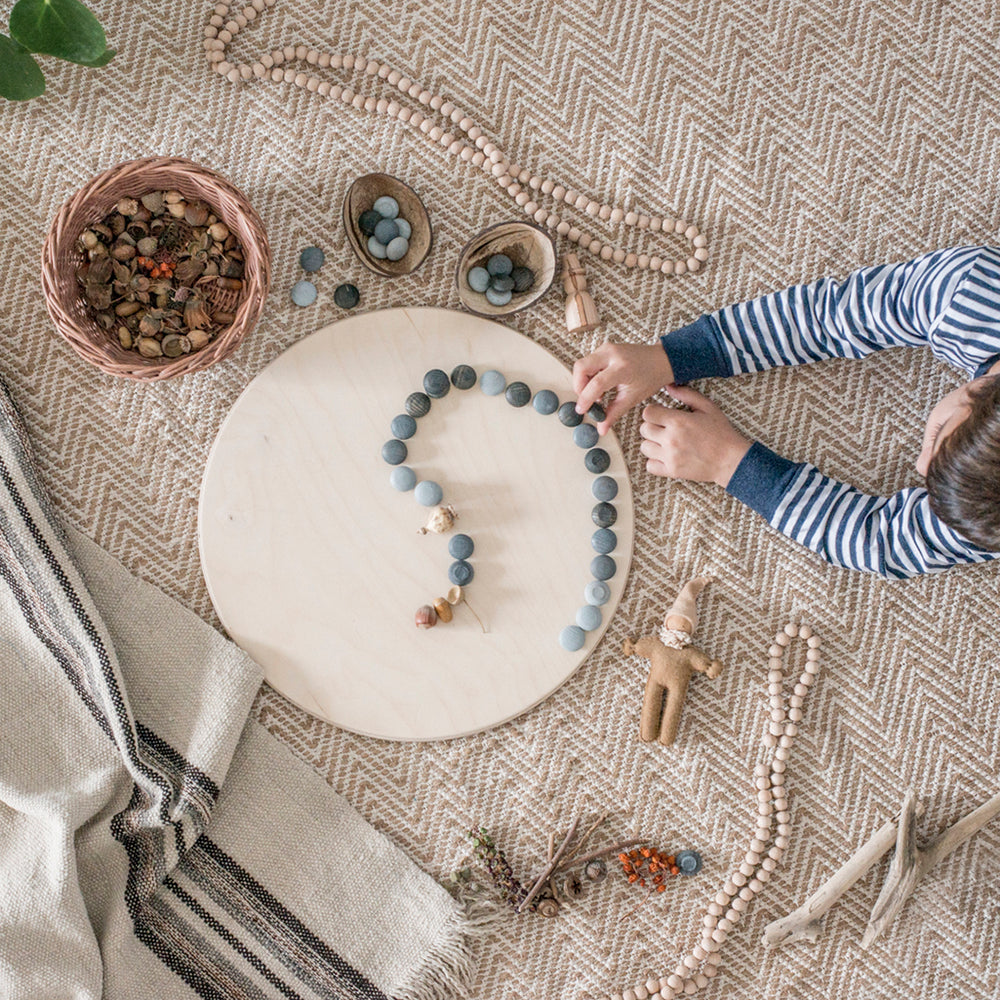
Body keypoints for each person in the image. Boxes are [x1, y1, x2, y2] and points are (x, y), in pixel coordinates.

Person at [572, 246, 1000, 579]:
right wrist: (672, 357)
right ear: (982, 387)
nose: (920, 465)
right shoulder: (972, 291)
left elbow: (882, 542)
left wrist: (731, 464)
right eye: (937, 437)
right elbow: (831, 317)